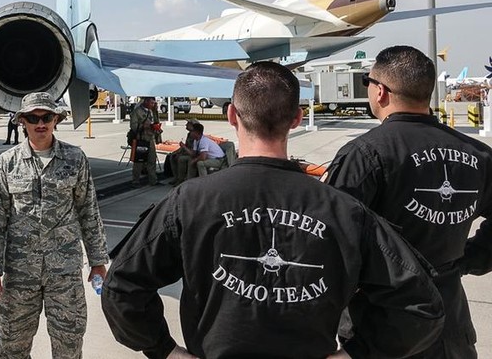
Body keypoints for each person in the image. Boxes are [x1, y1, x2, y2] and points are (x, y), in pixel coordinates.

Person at [102, 62, 444, 359]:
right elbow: (422, 305)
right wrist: (357, 353)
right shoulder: (344, 210)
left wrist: (164, 350)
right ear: (296, 118)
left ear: (232, 115)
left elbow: (121, 288)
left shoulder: (189, 202)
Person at [324, 45, 492, 358]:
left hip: (381, 332)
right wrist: (468, 259)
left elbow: (330, 240)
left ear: (381, 91)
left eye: (369, 83)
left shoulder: (365, 155)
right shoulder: (478, 155)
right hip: (451, 330)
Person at [0, 92, 109, 358]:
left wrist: (98, 260)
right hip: (19, 274)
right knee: (13, 344)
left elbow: (88, 211)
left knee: (69, 343)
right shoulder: (7, 163)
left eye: (47, 117)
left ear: (56, 120)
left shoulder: (75, 159)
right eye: (33, 118)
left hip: (64, 273)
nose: (40, 124)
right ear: (22, 122)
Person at [129, 97, 159, 186]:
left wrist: (156, 128)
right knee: (139, 161)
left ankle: (153, 180)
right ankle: (135, 181)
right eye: (151, 103)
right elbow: (133, 126)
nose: (153, 105)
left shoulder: (151, 111)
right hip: (141, 139)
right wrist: (143, 126)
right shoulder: (137, 112)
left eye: (154, 103)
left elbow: (154, 122)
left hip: (150, 138)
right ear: (146, 102)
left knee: (152, 160)